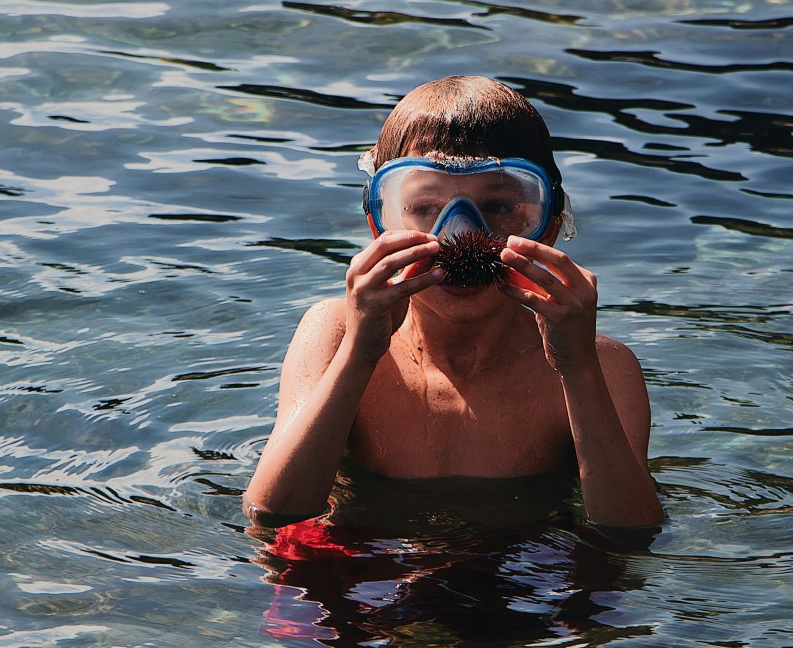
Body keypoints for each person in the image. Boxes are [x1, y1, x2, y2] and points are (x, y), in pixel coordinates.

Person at [243, 75, 661, 530]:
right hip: (371, 560)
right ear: (379, 225)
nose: (461, 235)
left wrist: (576, 369)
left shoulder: (601, 365)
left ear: (548, 227)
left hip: (524, 570)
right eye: (426, 208)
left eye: (498, 208)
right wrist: (361, 353)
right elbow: (271, 512)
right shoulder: (336, 332)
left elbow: (631, 533)